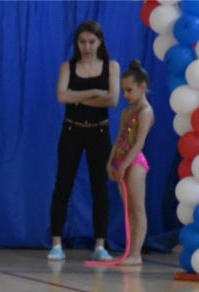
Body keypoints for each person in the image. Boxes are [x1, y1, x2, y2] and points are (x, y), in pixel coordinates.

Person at [48, 20, 120, 261]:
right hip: (72, 130)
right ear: (76, 43)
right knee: (63, 185)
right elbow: (61, 96)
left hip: (99, 132)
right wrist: (95, 93)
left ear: (100, 42)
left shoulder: (111, 66)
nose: (87, 47)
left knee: (100, 188)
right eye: (82, 42)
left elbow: (112, 100)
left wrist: (77, 97)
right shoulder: (68, 67)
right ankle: (56, 243)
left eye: (91, 42)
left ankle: (100, 245)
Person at [107, 60, 155, 266]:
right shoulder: (127, 112)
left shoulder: (145, 111)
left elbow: (139, 142)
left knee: (137, 208)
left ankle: (136, 254)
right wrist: (110, 163)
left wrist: (125, 165)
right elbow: (119, 138)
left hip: (134, 162)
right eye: (123, 91)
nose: (125, 95)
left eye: (129, 90)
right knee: (128, 209)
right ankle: (129, 252)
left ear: (142, 87)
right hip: (121, 162)